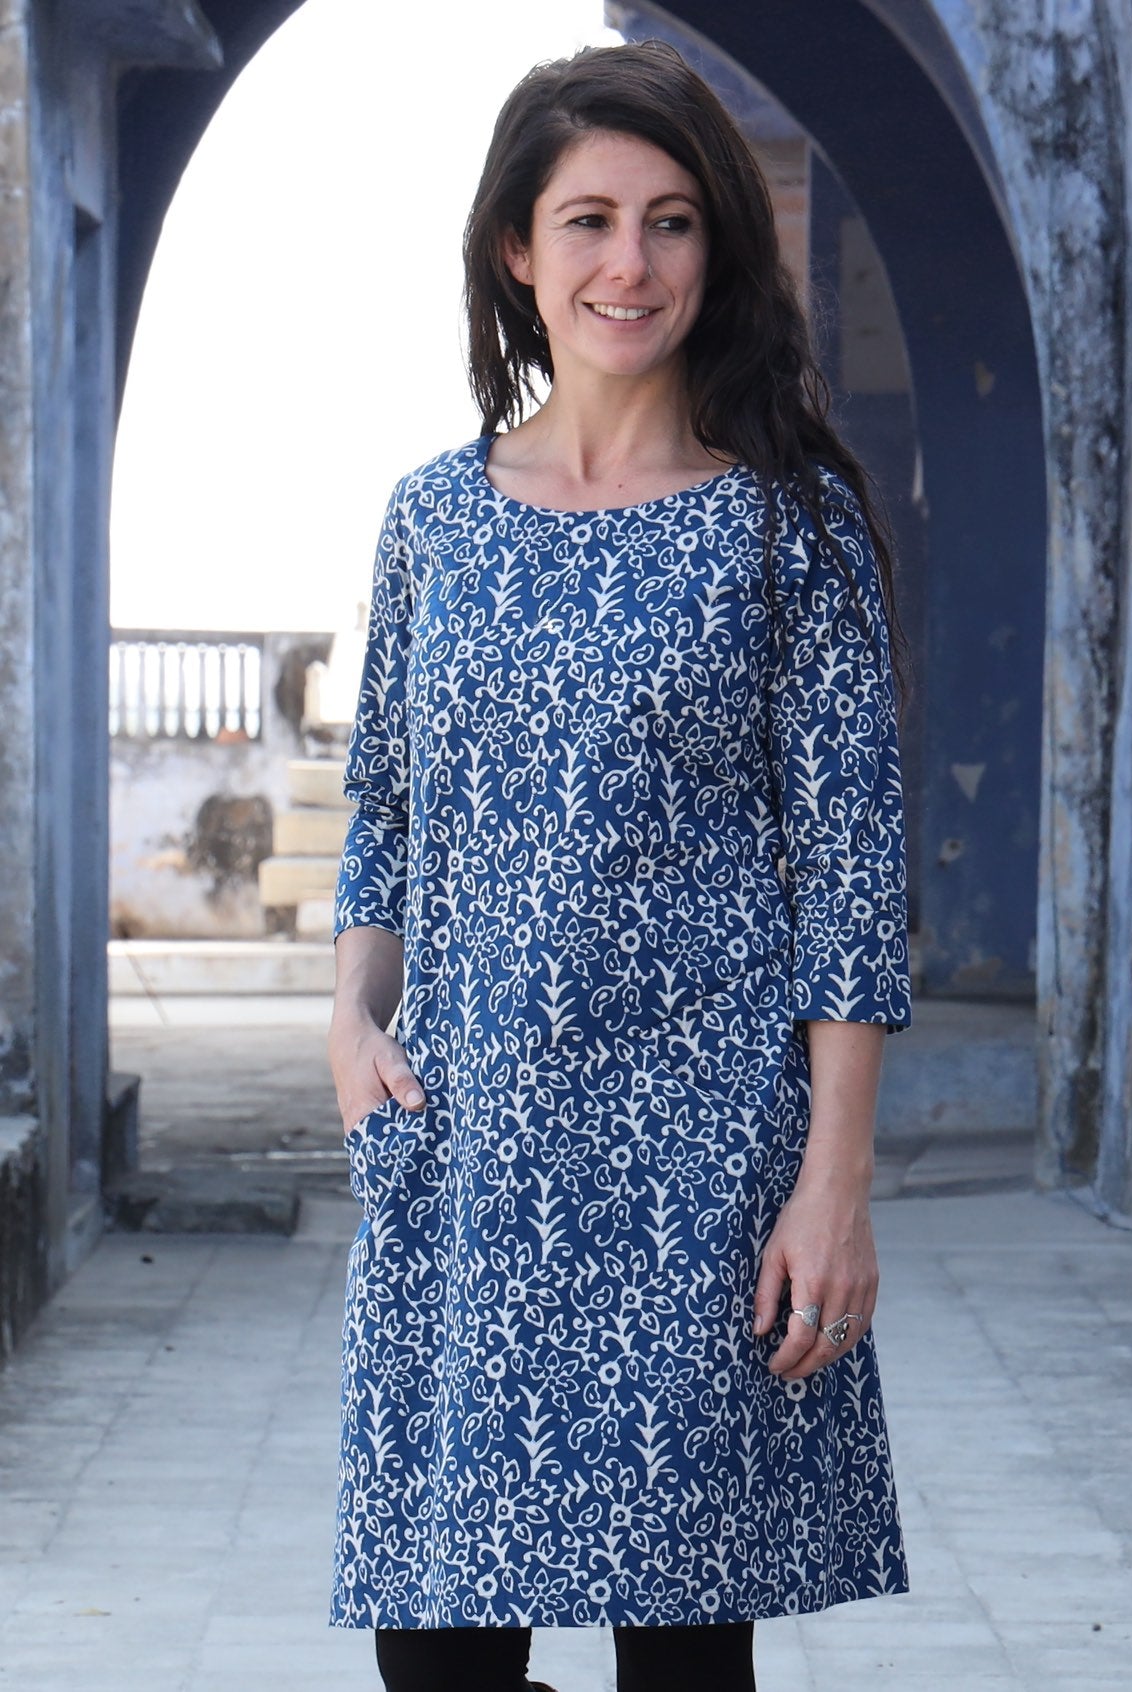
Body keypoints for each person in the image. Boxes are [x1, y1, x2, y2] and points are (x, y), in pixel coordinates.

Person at [326, 38, 911, 1692]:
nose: (628, 264)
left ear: (715, 250)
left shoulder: (788, 523)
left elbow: (851, 875)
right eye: (586, 221)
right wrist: (349, 1014)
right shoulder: (432, 517)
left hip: (703, 1166)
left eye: (669, 221)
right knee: (438, 1660)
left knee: (676, 1661)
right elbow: (383, 803)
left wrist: (835, 1183)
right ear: (518, 249)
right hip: (470, 1146)